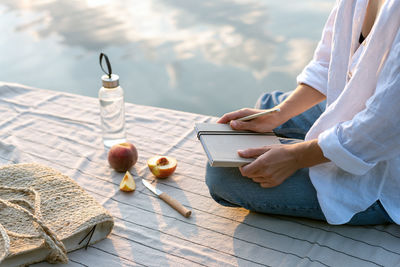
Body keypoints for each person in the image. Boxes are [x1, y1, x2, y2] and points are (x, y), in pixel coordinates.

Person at [205, 0, 400, 225]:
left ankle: (378, 203)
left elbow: (384, 128)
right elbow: (330, 60)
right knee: (268, 104)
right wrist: (278, 113)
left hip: (389, 165)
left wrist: (296, 157)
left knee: (223, 176)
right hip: (369, 110)